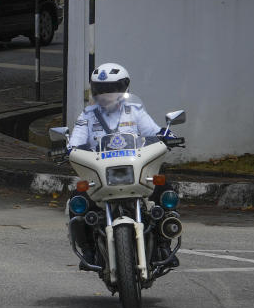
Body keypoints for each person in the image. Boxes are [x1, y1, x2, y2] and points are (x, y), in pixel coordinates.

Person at [68, 63, 177, 268]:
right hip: (101, 176)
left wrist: (167, 135)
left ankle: (164, 245)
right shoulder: (87, 116)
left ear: (124, 88)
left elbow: (153, 131)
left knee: (164, 190)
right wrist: (67, 148)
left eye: (111, 89)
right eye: (100, 89)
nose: (105, 94)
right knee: (77, 201)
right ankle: (89, 251)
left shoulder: (135, 111)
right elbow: (75, 143)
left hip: (134, 172)